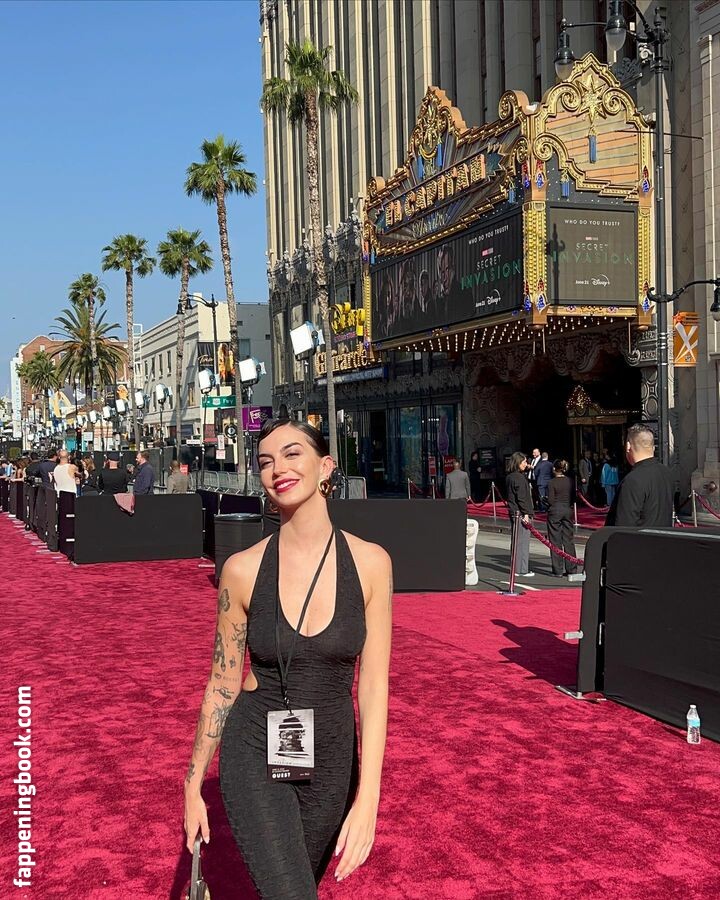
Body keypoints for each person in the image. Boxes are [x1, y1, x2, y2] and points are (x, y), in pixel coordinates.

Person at [183, 419, 392, 898]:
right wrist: (193, 784)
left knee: (294, 886)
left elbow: (374, 685)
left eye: (292, 454)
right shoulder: (241, 570)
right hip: (255, 746)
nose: (278, 469)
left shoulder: (371, 564)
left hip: (333, 757)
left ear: (326, 467)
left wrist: (369, 797)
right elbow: (221, 683)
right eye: (265, 461)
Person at [605, 424, 674, 527]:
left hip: (640, 536)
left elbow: (624, 526)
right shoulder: (667, 473)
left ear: (628, 446)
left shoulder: (632, 480)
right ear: (653, 447)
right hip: (664, 535)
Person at [546, 460, 578, 577]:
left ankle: (557, 569)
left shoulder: (552, 482)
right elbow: (573, 497)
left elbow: (550, 500)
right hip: (567, 509)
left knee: (555, 540)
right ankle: (571, 568)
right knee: (568, 540)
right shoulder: (570, 481)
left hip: (555, 510)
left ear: (555, 469)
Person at [505, 451, 535, 577]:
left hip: (513, 511)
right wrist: (526, 513)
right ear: (518, 463)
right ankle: (522, 569)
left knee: (516, 541)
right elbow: (522, 497)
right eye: (523, 462)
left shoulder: (510, 477)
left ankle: (516, 568)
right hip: (521, 513)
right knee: (523, 542)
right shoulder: (519, 478)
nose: (526, 464)